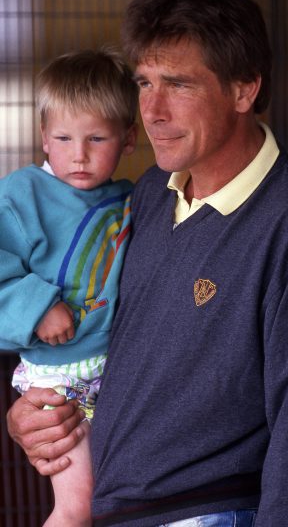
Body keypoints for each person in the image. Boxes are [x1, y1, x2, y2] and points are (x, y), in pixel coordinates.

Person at [7, 0, 288, 527]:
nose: (152, 109)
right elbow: (108, 349)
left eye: (178, 84)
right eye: (145, 83)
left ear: (244, 90)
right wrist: (37, 415)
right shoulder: (146, 196)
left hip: (211, 512)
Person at [1, 46, 137, 526]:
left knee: (116, 504)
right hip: (60, 378)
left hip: (120, 373)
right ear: (43, 137)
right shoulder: (21, 195)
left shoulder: (130, 200)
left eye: (97, 138)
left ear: (129, 138)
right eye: (63, 138)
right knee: (77, 507)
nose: (78, 155)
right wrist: (36, 306)